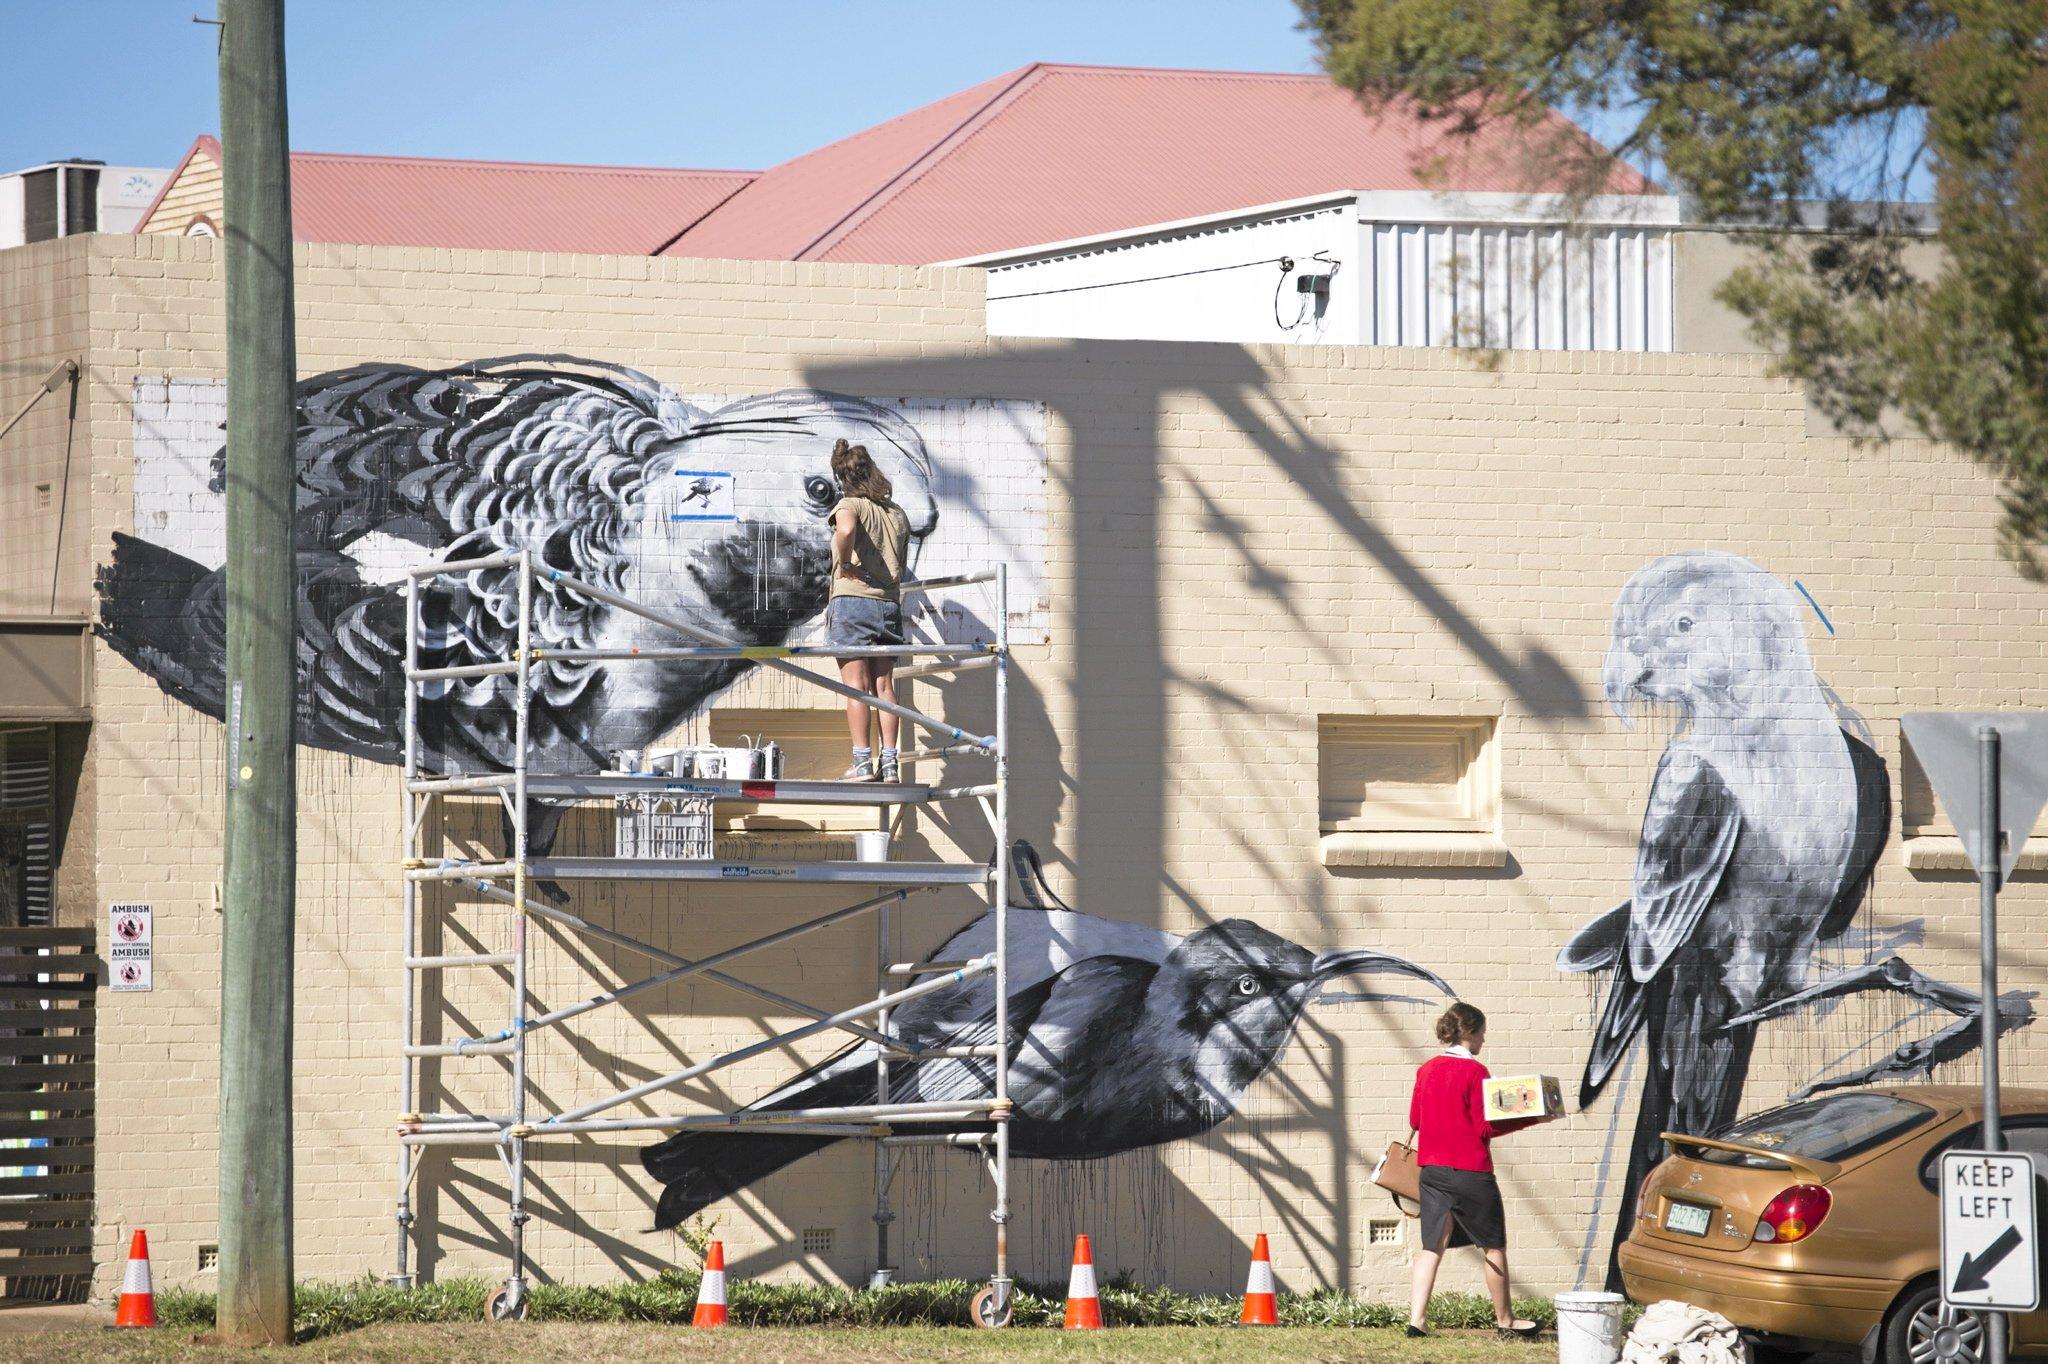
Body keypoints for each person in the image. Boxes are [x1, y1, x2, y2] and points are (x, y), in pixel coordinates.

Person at [1404, 1001, 1546, 1339]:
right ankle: (1506, 1321)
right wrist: (1531, 1117)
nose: (1484, 1038)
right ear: (1470, 1032)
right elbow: (1486, 1128)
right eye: (1482, 1032)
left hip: (1432, 1171)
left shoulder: (1425, 1069)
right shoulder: (1476, 1072)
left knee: (1430, 1247)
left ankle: (1416, 1321)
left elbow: (1415, 1121)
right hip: (1471, 1172)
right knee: (1493, 1246)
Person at [824, 437, 911, 782]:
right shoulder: (897, 513)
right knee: (884, 687)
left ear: (843, 477)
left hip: (853, 602)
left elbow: (845, 529)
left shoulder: (850, 505)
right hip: (887, 605)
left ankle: (862, 763)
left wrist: (843, 562)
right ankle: (889, 764)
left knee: (856, 688)